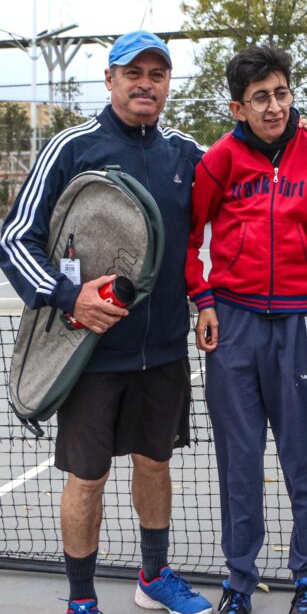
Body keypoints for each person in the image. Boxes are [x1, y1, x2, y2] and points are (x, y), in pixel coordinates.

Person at [0, 31, 212, 614]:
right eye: (133, 72)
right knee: (86, 479)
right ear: (110, 80)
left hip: (164, 351)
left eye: (157, 73)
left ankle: (153, 577)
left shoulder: (185, 153)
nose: (146, 83)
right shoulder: (72, 147)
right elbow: (17, 237)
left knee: (154, 463)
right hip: (88, 354)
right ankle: (82, 599)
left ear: (168, 83)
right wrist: (68, 297)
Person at [187, 45, 307, 614]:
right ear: (238, 107)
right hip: (233, 326)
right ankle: (238, 582)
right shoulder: (218, 161)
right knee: (240, 461)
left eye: (282, 93)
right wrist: (202, 299)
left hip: (302, 323)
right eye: (261, 98)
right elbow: (189, 240)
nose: (275, 106)